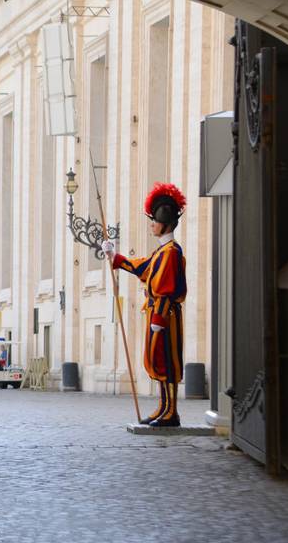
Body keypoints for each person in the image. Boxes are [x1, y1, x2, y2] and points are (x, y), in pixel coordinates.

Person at [103, 182, 187, 427]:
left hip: (164, 316)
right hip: (157, 314)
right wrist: (114, 257)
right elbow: (142, 266)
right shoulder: (162, 251)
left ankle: (172, 411)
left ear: (165, 222)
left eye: (154, 220)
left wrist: (159, 320)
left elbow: (166, 289)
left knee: (168, 362)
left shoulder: (171, 253)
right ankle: (163, 407)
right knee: (158, 360)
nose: (151, 224)